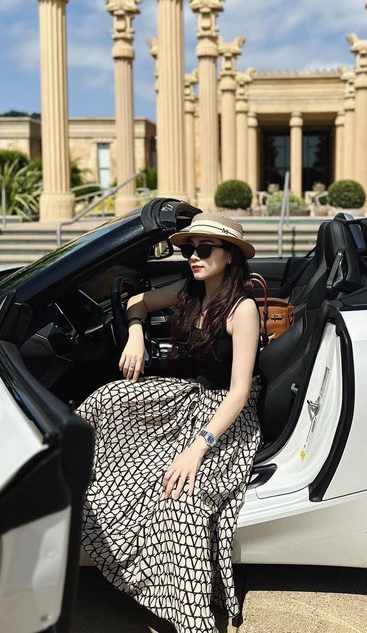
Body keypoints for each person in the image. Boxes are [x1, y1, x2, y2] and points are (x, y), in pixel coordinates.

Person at [77, 212, 262, 633]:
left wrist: (197, 449)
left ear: (230, 256)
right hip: (190, 396)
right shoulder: (188, 291)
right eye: (188, 250)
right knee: (107, 399)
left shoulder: (243, 309)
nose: (194, 257)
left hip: (227, 415)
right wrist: (135, 335)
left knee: (181, 497)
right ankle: (63, 471)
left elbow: (238, 392)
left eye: (204, 249)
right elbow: (136, 302)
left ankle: (192, 617)